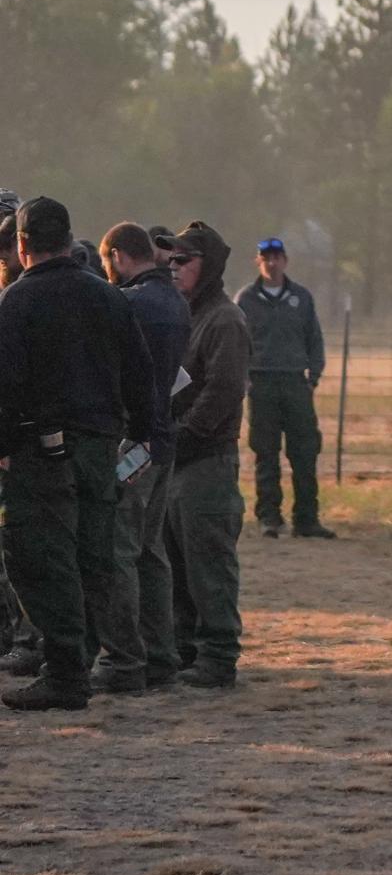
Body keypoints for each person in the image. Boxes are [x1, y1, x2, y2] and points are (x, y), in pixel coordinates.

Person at [0, 198, 154, 710]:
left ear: (22, 246)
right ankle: (78, 665)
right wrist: (142, 437)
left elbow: (6, 384)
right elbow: (140, 373)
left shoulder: (17, 302)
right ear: (69, 240)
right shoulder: (109, 298)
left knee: (38, 557)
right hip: (100, 448)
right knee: (93, 557)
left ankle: (65, 673)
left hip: (39, 453)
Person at [97, 222, 188, 694]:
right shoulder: (174, 301)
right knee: (152, 554)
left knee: (120, 551)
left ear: (116, 256)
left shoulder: (128, 305)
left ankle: (123, 660)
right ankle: (161, 655)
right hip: (164, 441)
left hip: (132, 443)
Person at [160, 222, 250, 690]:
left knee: (208, 563)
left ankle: (218, 656)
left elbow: (224, 390)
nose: (173, 268)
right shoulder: (187, 314)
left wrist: (185, 435)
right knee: (177, 562)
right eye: (170, 259)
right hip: (179, 458)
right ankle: (187, 648)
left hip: (207, 460)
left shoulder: (225, 319)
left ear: (208, 265)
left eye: (183, 260)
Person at [236, 236, 331, 539]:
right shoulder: (246, 299)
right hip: (261, 383)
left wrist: (312, 376)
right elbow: (237, 343)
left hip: (294, 382)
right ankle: (269, 517)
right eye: (266, 258)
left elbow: (314, 339)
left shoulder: (301, 298)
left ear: (285, 261)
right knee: (266, 453)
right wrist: (245, 378)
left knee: (304, 452)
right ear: (258, 261)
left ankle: (306, 518)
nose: (272, 263)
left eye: (277, 257)